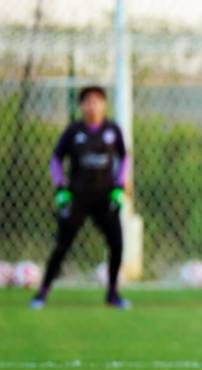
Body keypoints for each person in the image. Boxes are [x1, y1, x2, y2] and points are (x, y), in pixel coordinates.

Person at [30, 86, 129, 310]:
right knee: (62, 245)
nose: (92, 105)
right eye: (88, 101)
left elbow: (124, 158)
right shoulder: (74, 131)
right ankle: (42, 292)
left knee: (117, 244)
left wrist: (119, 186)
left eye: (97, 101)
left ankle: (112, 294)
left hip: (105, 198)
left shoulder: (112, 130)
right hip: (78, 197)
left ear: (104, 105)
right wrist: (60, 188)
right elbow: (56, 159)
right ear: (81, 106)